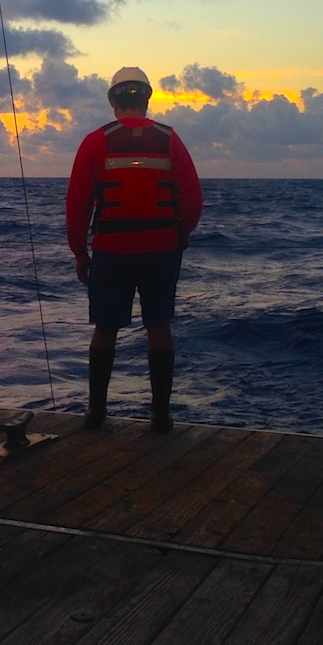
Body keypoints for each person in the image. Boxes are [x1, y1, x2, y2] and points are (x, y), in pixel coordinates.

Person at [65, 67, 202, 432]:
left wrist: (80, 253)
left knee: (105, 328)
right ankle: (160, 417)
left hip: (111, 252)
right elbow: (192, 198)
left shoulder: (95, 142)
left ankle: (96, 413)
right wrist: (180, 235)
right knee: (159, 326)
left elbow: (77, 205)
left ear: (113, 101)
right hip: (161, 251)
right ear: (147, 99)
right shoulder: (170, 140)